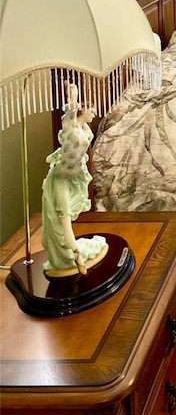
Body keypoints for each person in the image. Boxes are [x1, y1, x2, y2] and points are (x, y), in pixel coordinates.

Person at [41, 82, 106, 275]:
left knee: (65, 216)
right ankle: (75, 254)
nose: (94, 114)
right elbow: (70, 113)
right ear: (81, 110)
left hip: (73, 176)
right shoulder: (71, 127)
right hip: (61, 177)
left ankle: (72, 251)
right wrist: (73, 95)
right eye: (91, 110)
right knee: (63, 216)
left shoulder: (84, 127)